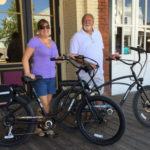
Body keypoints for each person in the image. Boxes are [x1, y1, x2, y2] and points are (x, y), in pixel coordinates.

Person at [22, 19, 61, 136]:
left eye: (47, 27)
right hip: (40, 78)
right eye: (42, 27)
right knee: (45, 104)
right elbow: (25, 58)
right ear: (39, 30)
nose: (45, 29)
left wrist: (64, 59)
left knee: (45, 104)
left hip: (51, 77)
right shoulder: (35, 41)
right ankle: (44, 125)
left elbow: (57, 58)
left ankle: (39, 125)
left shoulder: (53, 43)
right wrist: (28, 73)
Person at [69, 13, 120, 94]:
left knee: (99, 95)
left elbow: (101, 49)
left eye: (89, 20)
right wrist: (88, 63)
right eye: (85, 20)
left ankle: (98, 107)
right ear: (82, 23)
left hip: (98, 72)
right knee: (87, 97)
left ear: (93, 22)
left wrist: (111, 55)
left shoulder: (97, 33)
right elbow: (73, 57)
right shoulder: (76, 37)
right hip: (85, 73)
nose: (87, 22)